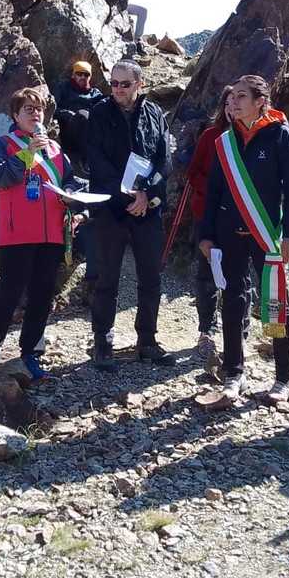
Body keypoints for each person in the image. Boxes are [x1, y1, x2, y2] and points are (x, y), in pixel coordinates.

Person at [199, 76, 289, 403]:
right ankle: (234, 373)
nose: (234, 101)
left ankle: (283, 377)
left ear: (260, 101)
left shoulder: (280, 135)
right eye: (233, 96)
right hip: (228, 233)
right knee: (232, 301)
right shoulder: (226, 142)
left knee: (274, 302)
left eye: (242, 96)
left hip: (266, 233)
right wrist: (206, 234)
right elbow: (214, 191)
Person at [0, 88, 84, 381]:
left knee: (42, 296)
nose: (36, 114)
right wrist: (28, 152)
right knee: (9, 294)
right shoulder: (3, 145)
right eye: (29, 109)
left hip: (51, 235)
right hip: (18, 233)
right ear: (15, 114)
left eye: (39, 109)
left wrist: (70, 193)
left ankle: (30, 353)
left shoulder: (56, 149)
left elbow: (70, 181)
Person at [85, 59, 174, 372]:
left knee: (151, 278)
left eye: (125, 84)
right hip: (111, 207)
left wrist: (146, 193)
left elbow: (164, 160)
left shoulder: (155, 114)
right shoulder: (99, 112)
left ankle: (147, 341)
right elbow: (96, 160)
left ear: (139, 84)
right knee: (107, 277)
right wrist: (127, 195)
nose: (118, 89)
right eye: (113, 83)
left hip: (147, 209)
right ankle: (103, 343)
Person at [186, 86, 236, 362]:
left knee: (238, 275)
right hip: (206, 214)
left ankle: (238, 333)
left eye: (238, 101)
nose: (232, 108)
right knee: (206, 273)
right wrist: (216, 189)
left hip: (241, 218)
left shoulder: (254, 139)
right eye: (228, 102)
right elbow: (193, 173)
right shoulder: (210, 136)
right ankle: (207, 331)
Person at [53, 60, 104, 175]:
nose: (83, 77)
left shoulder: (95, 94)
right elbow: (52, 108)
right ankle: (86, 161)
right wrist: (70, 114)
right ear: (73, 75)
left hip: (91, 133)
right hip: (68, 133)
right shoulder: (63, 89)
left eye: (86, 75)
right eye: (79, 74)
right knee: (82, 115)